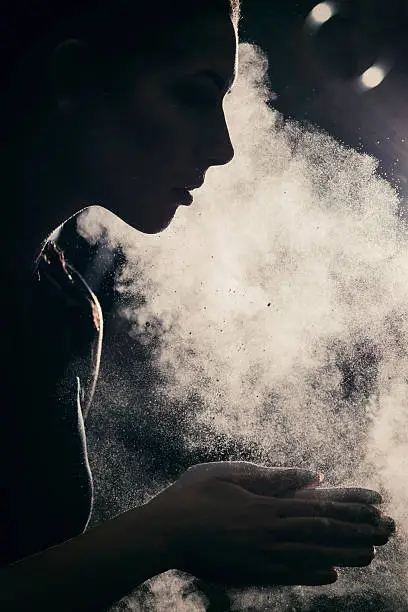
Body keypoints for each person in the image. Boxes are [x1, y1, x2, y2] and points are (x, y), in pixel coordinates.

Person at [0, 1, 396, 610]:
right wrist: (163, 533)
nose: (223, 147)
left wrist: (176, 527)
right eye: (193, 94)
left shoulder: (64, 307)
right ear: (74, 79)